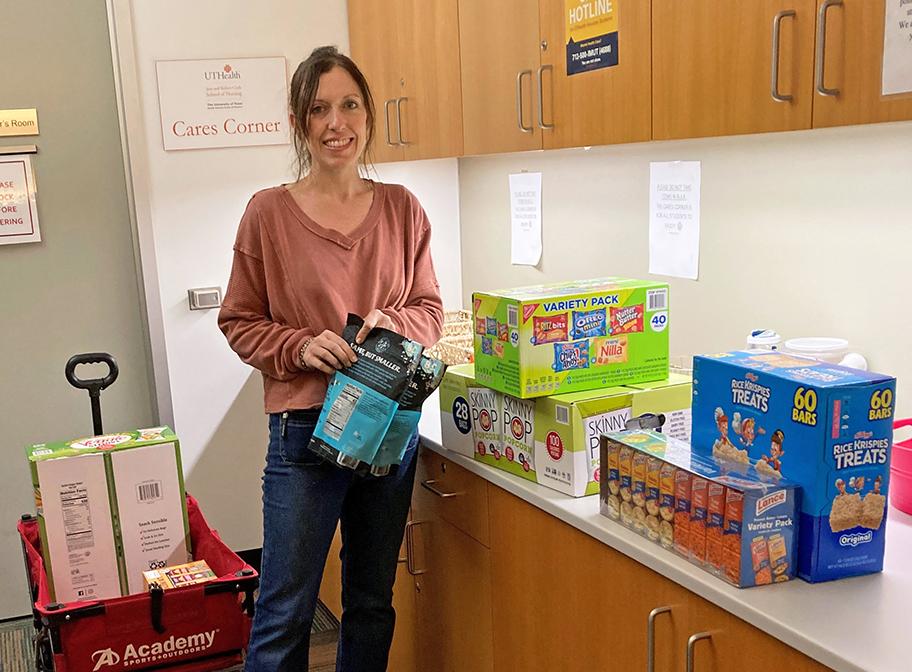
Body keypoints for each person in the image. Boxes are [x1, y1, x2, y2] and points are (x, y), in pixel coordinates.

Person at [218, 45, 443, 671]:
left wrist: (390, 323)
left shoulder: (403, 208)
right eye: (319, 109)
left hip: (387, 431)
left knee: (372, 601)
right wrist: (300, 345)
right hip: (304, 434)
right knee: (284, 611)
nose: (336, 123)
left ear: (369, 115)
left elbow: (429, 311)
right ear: (299, 122)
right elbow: (238, 321)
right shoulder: (268, 213)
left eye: (348, 105)